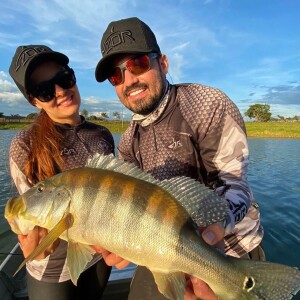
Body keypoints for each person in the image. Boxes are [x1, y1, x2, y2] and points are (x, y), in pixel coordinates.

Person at [93, 17, 265, 300]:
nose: (129, 80)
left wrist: (213, 231)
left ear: (162, 63)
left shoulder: (205, 104)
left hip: (233, 253)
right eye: (116, 75)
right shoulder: (127, 141)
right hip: (163, 252)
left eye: (137, 64)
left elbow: (235, 185)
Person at [8, 45, 115, 300]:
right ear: (34, 101)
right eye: (45, 90)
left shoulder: (102, 134)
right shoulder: (24, 145)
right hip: (54, 270)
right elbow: (30, 216)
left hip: (100, 255)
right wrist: (34, 239)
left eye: (63, 79)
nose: (60, 91)